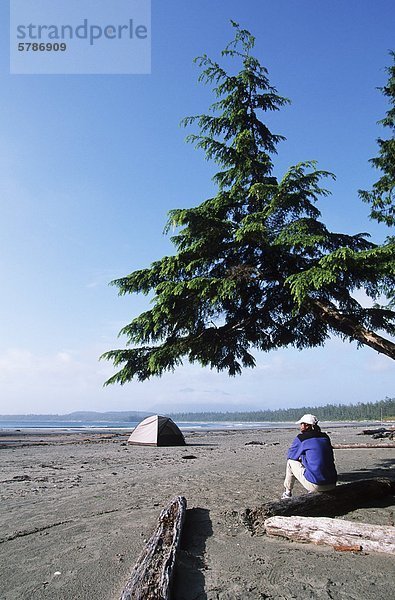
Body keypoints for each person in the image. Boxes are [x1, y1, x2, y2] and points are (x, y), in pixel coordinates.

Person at [282, 414, 337, 499]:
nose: (300, 426)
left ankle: (287, 493)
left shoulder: (302, 438)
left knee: (290, 462)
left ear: (306, 425)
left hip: (317, 485)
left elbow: (291, 456)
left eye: (301, 424)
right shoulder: (325, 437)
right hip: (332, 483)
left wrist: (300, 457)